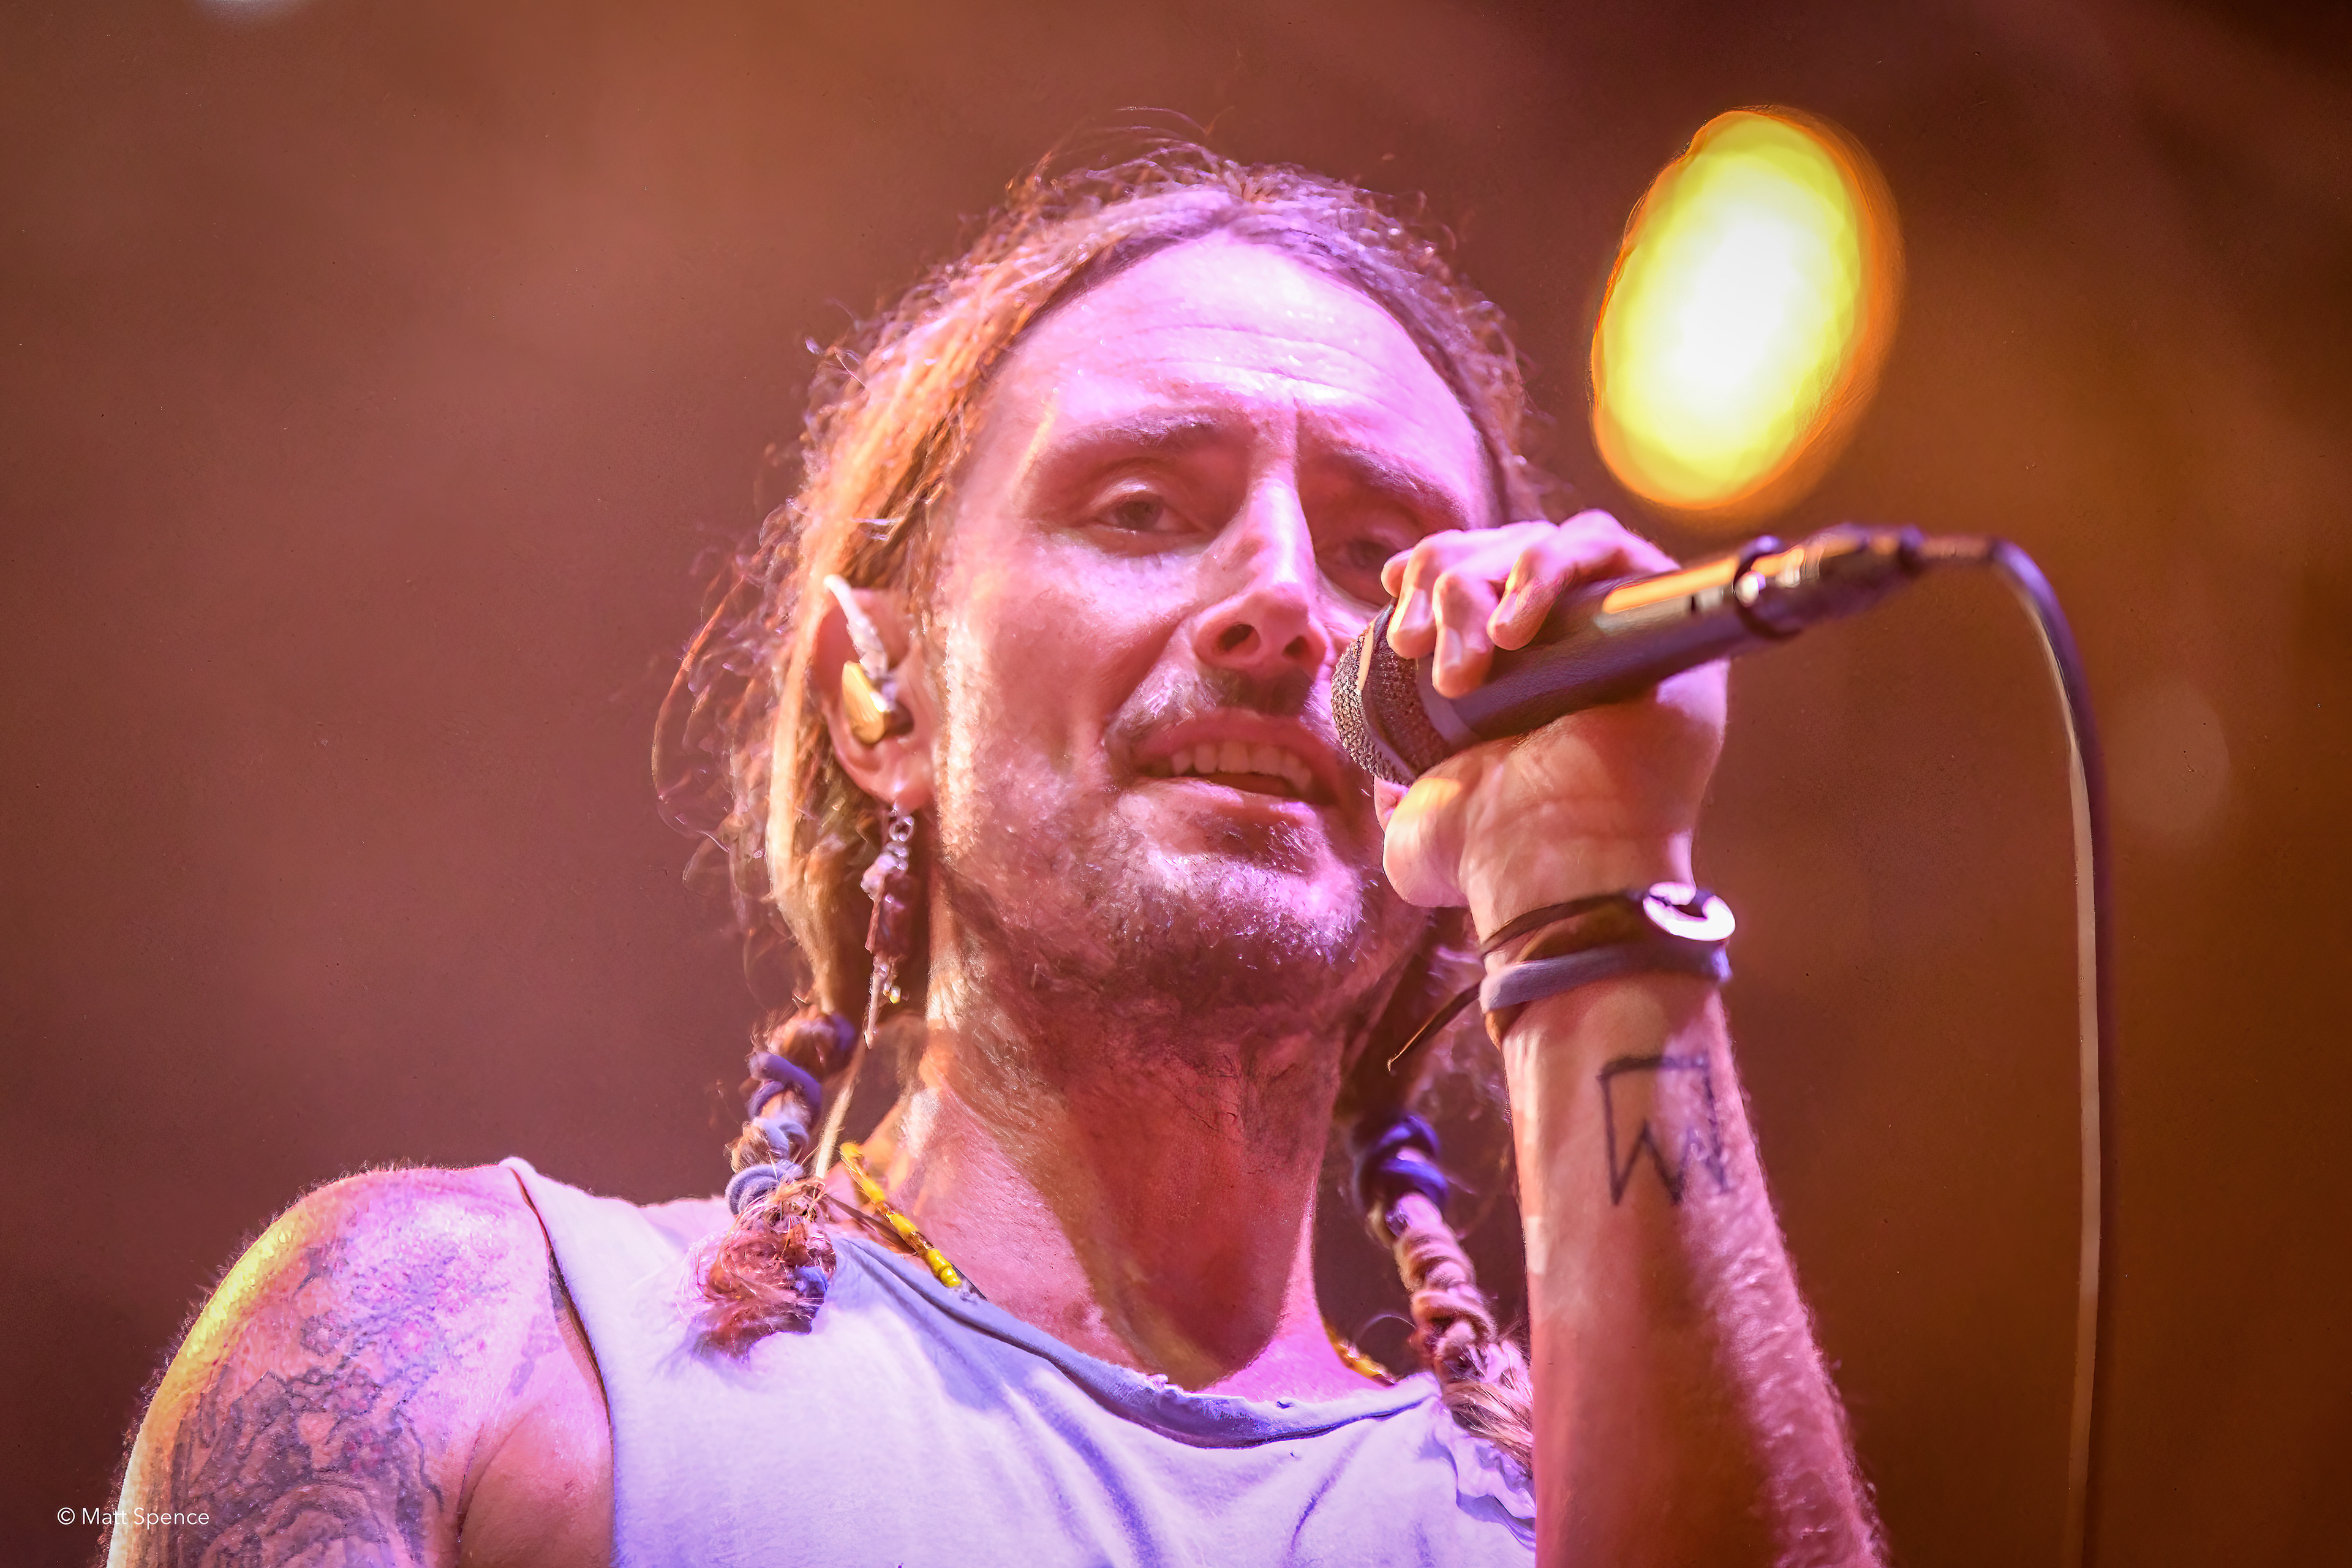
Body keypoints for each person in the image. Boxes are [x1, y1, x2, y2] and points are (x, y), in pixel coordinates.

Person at [110, 146, 1880, 1567]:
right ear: (880, 692)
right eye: (1144, 510)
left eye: (1376, 552)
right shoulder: (460, 1348)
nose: (1283, 599)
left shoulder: (1576, 1519)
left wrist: (1597, 879)